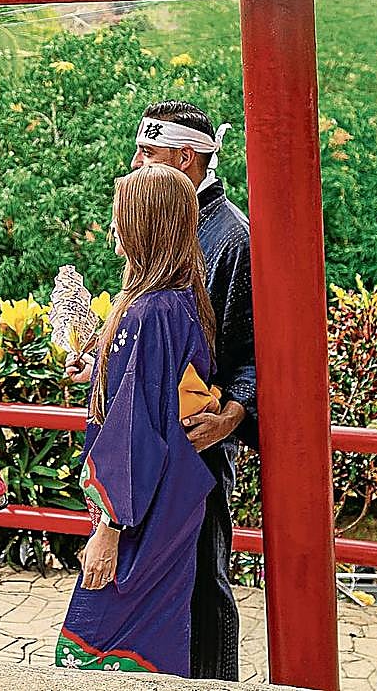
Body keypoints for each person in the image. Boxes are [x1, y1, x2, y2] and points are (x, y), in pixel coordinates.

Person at [55, 164, 220, 677]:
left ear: (145, 223)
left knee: (98, 641)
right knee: (158, 633)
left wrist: (108, 526)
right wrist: (99, 367)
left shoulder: (145, 311)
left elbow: (133, 430)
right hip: (175, 497)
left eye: (120, 216)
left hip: (138, 510)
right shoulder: (187, 302)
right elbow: (157, 391)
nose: (112, 229)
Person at [130, 100, 258, 680]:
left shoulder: (231, 237)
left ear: (186, 158)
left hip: (196, 440)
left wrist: (232, 414)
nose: (136, 164)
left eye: (148, 155)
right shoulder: (165, 228)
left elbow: (253, 345)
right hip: (155, 440)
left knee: (203, 578)